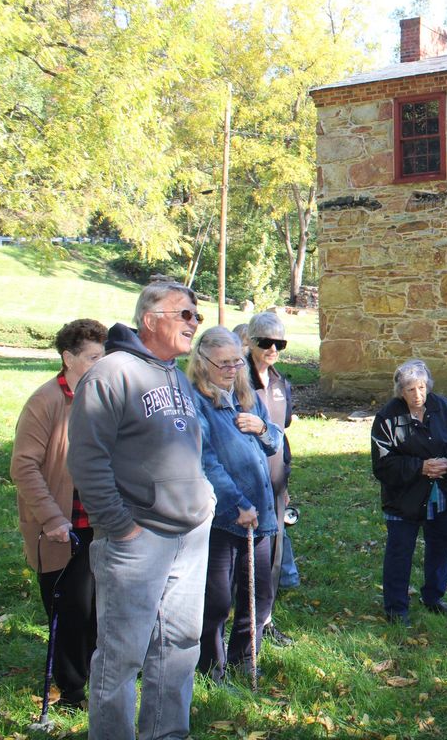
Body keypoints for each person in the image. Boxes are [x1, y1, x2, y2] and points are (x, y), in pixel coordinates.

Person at [69, 282, 216, 740]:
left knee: (180, 646)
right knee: (121, 656)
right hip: (137, 539)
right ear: (151, 319)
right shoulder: (112, 373)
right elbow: (86, 458)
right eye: (186, 315)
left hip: (190, 536)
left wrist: (205, 499)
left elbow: (190, 447)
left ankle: (167, 733)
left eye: (197, 316)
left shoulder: (174, 373)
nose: (195, 323)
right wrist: (119, 525)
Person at [9, 318, 107, 710]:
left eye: (105, 357)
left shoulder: (103, 397)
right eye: (92, 357)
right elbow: (24, 467)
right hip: (62, 528)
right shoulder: (45, 401)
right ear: (68, 358)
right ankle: (71, 692)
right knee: (69, 612)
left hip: (102, 523)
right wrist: (51, 518)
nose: (101, 365)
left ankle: (100, 679)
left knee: (99, 609)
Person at [188, 326, 282, 681]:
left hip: (261, 514)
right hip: (223, 518)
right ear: (203, 362)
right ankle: (211, 668)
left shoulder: (248, 397)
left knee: (257, 596)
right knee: (216, 600)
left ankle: (245, 661)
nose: (232, 369)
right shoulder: (196, 402)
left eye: (236, 362)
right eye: (223, 363)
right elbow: (206, 461)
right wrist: (236, 504)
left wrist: (261, 428)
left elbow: (275, 443)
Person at [371, 359, 447, 625]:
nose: (418, 394)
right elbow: (383, 464)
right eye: (410, 389)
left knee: (440, 547)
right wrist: (420, 467)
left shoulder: (443, 407)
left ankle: (433, 597)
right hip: (405, 498)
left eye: (422, 388)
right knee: (400, 552)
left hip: (443, 493)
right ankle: (396, 608)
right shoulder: (387, 417)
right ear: (401, 391)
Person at [245, 311, 297, 644]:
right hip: (246, 485)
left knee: (274, 557)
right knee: (245, 559)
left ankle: (264, 621)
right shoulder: (237, 380)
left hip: (275, 485)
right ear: (249, 342)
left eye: (279, 342)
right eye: (265, 342)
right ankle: (239, 630)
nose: (272, 348)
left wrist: (286, 486)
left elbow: (283, 433)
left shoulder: (280, 382)